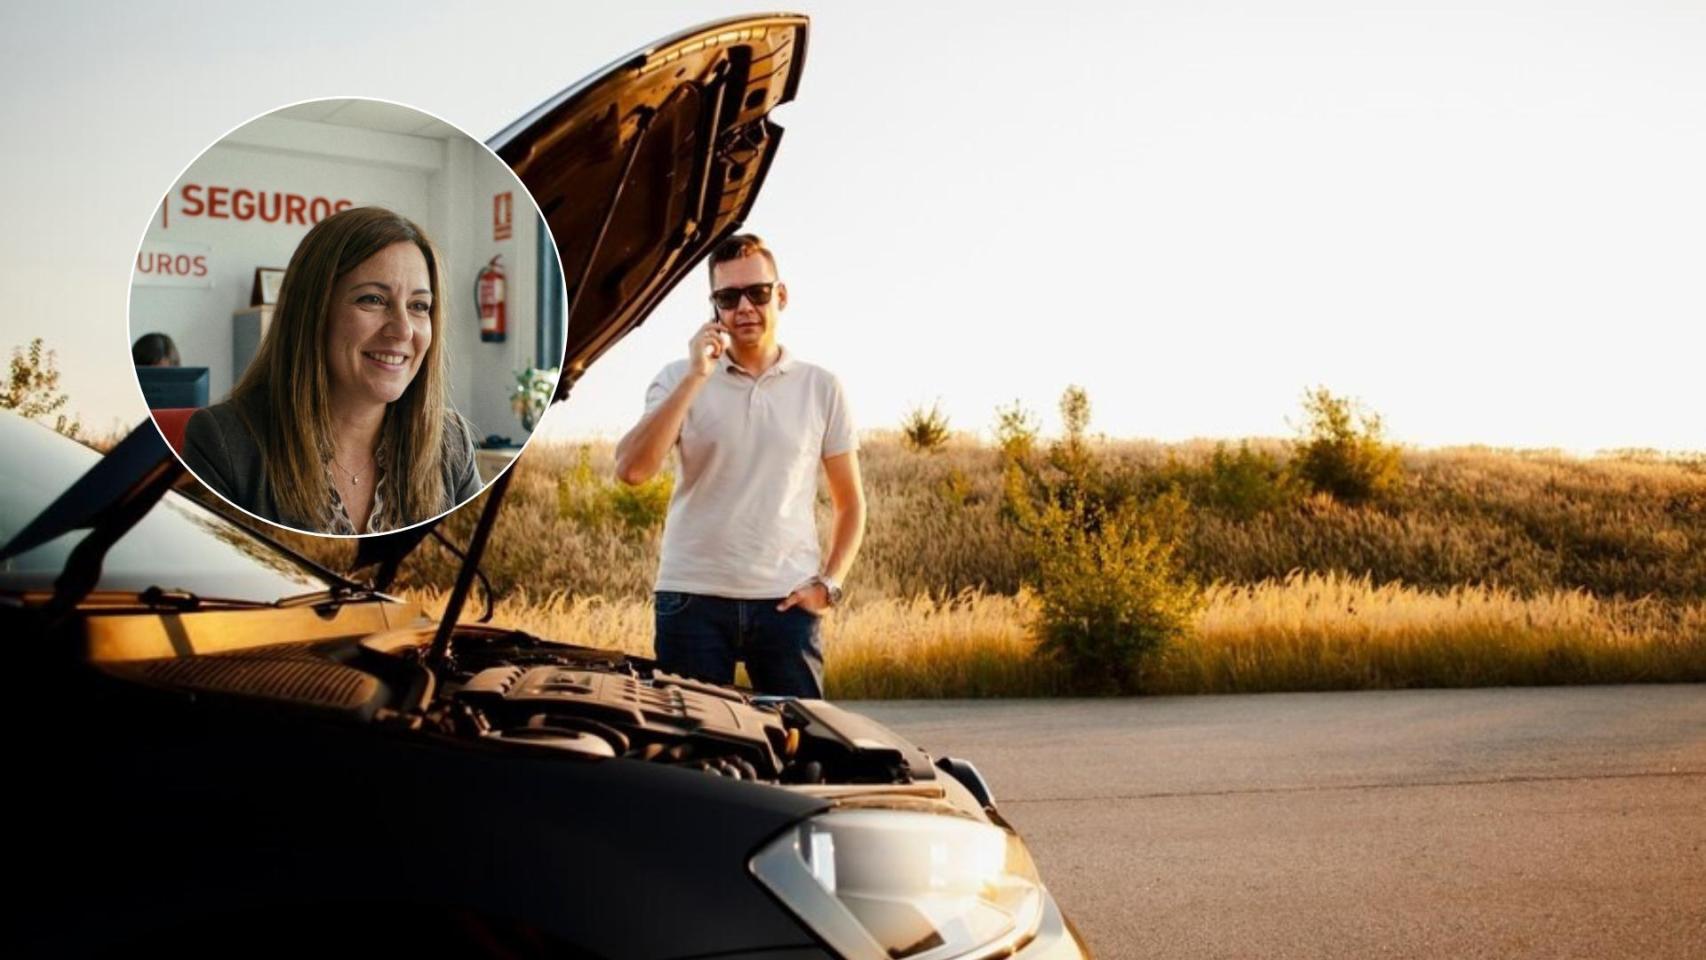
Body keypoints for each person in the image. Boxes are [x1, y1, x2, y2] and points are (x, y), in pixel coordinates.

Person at [615, 233, 867, 698]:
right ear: (714, 308)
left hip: (786, 603)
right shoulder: (677, 377)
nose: (745, 307)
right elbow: (632, 470)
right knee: (692, 760)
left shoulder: (821, 387)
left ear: (781, 296)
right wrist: (696, 376)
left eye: (758, 292)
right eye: (728, 298)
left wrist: (829, 586)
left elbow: (850, 504)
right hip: (692, 599)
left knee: (798, 752)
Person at [182, 206, 480, 535]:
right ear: (313, 312)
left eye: (419, 306)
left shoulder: (450, 442)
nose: (403, 330)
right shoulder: (223, 442)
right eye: (373, 299)